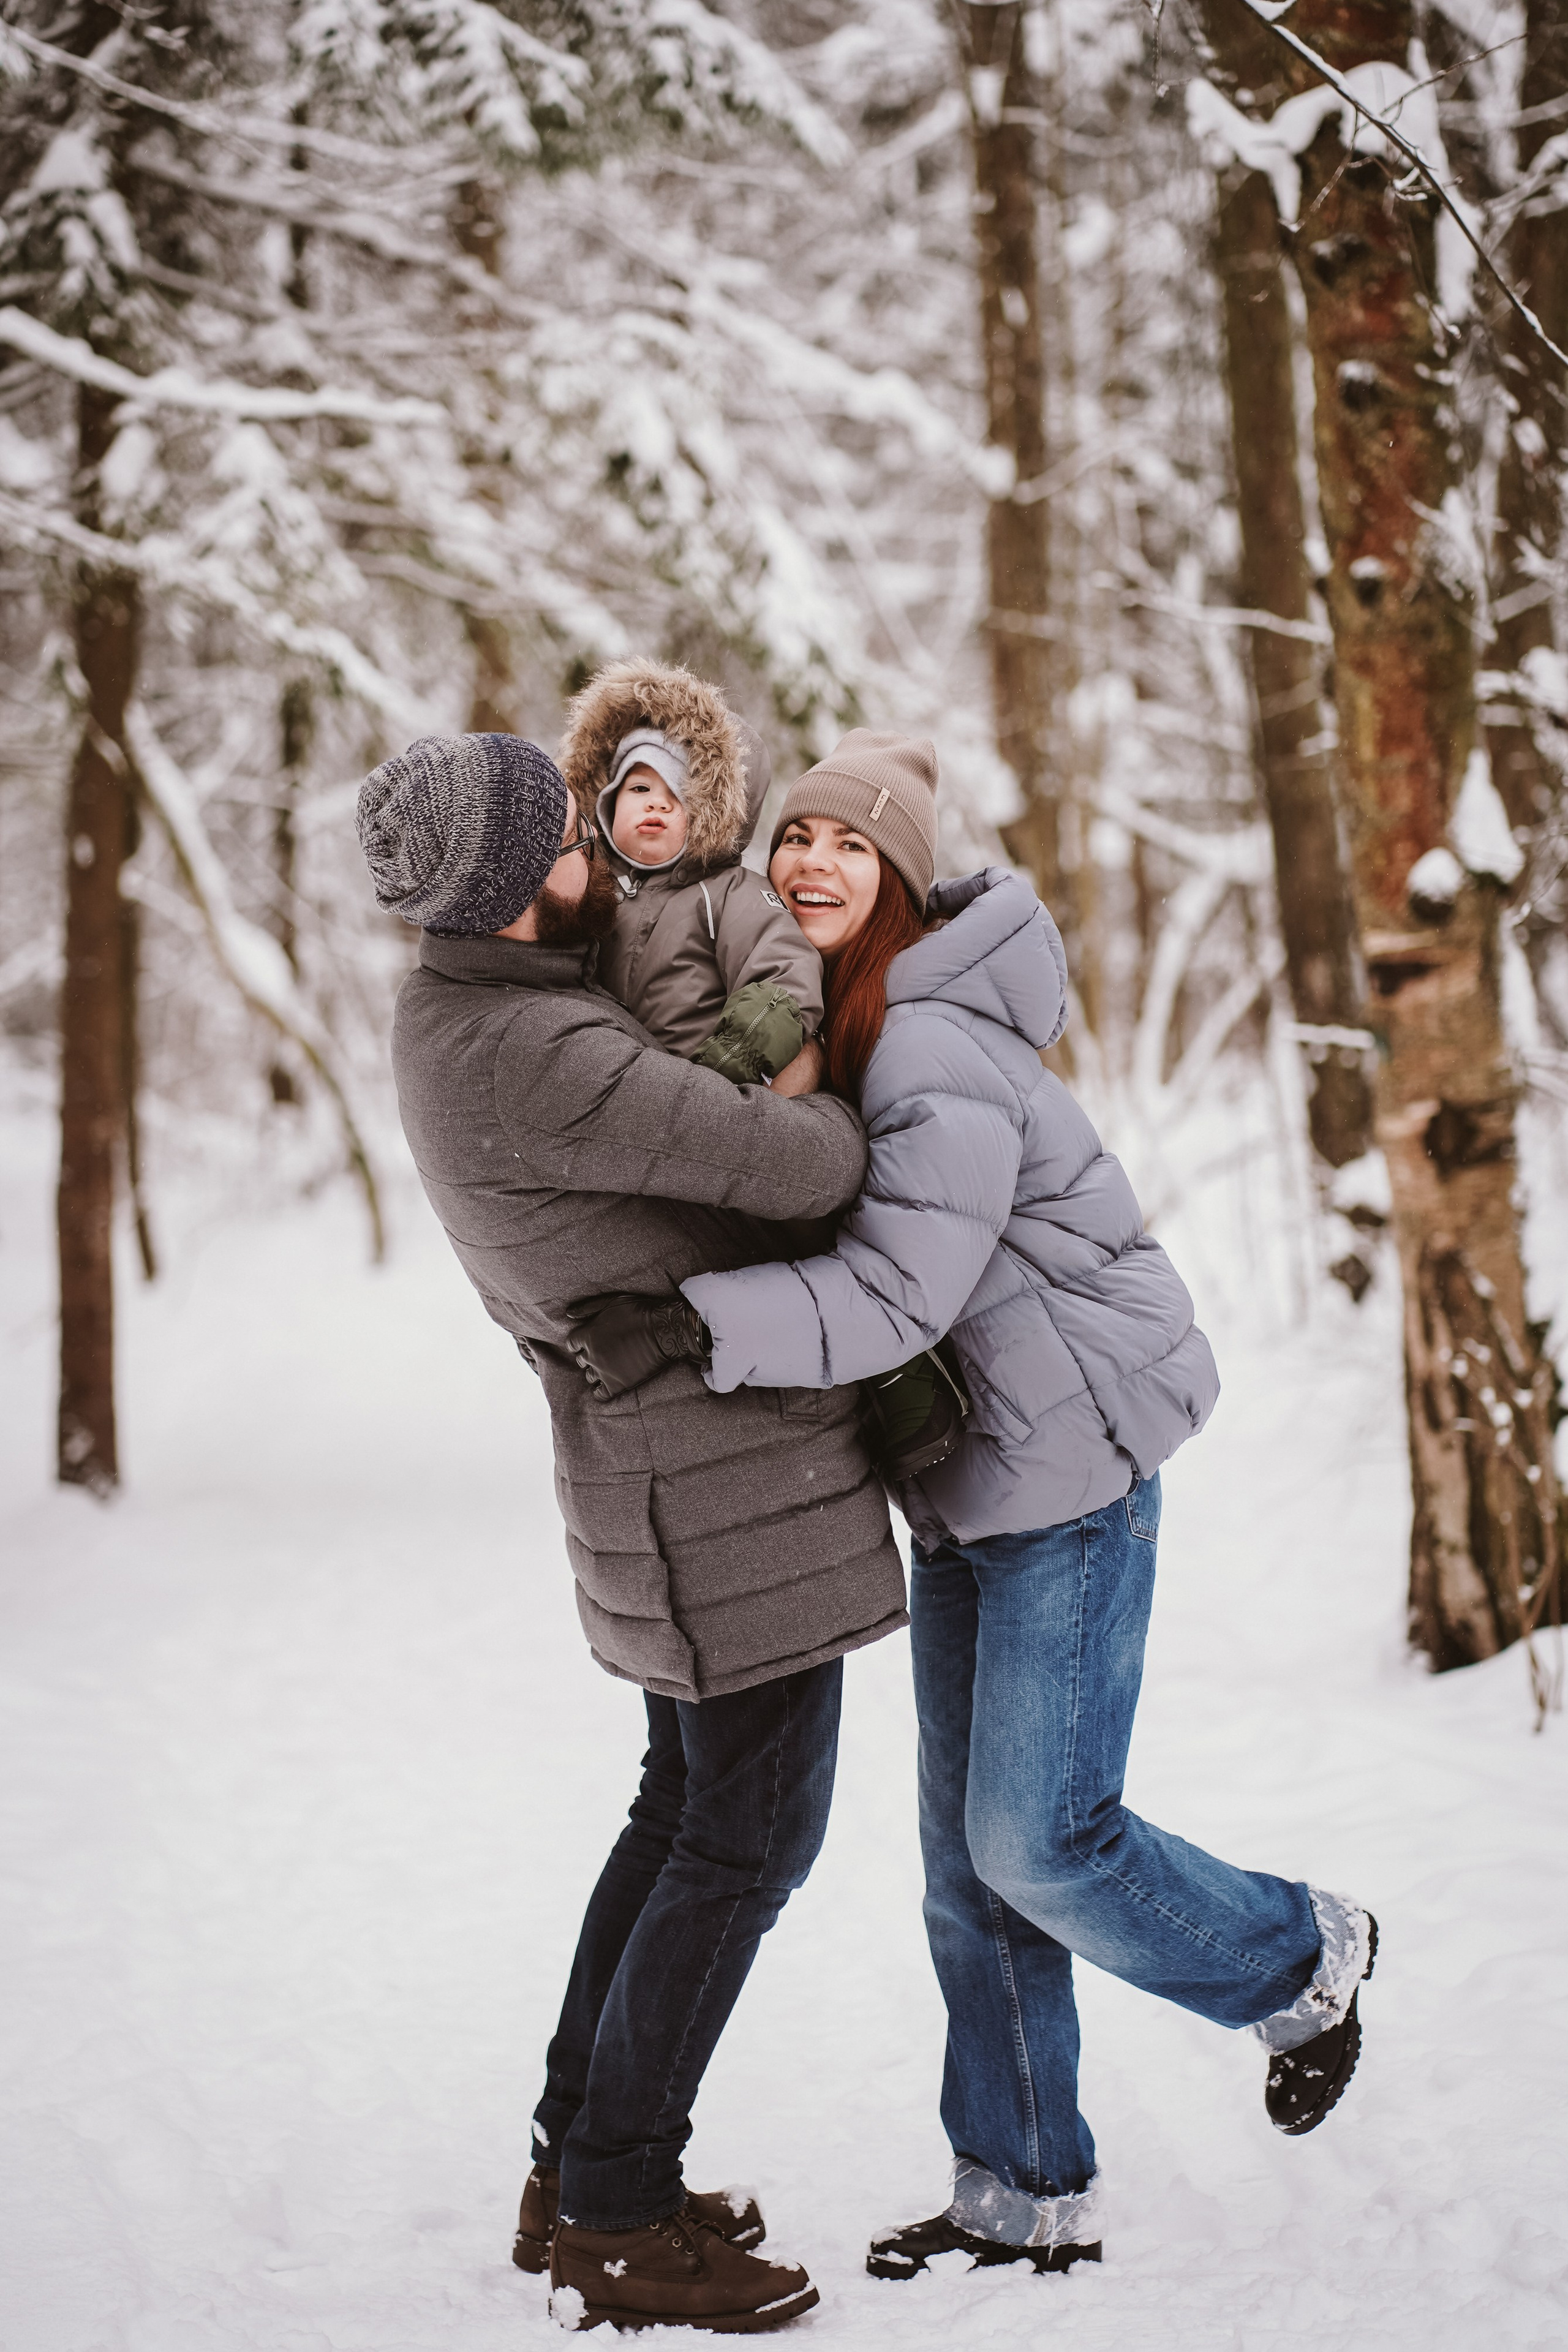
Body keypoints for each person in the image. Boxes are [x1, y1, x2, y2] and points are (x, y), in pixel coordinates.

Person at [568, 729, 1379, 2285]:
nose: (807, 861)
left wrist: (694, 1323)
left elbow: (892, 1289)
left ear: (897, 880)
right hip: (962, 1478)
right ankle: (1017, 2188)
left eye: (845, 847)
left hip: (1066, 1467)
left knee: (1038, 1839)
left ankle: (1300, 1953)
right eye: (793, 836)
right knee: (964, 1858)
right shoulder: (843, 1025)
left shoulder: (931, 1046)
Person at [355, 729, 907, 2333]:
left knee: (682, 1815)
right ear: (527, 884)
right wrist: (828, 1092)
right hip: (716, 1488)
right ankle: (615, 2212)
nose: (597, 834)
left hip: (669, 1475)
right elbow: (803, 1165)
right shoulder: (546, 1054)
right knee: (747, 1837)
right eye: (567, 831)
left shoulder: (473, 1005)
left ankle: (569, 2164)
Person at [557, 657, 824, 1088]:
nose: (656, 804)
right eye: (640, 788)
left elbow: (785, 974)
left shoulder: (727, 894)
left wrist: (731, 1062)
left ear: (709, 814)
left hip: (695, 1084)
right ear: (606, 803)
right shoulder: (585, 880)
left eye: (678, 795)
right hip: (603, 1082)